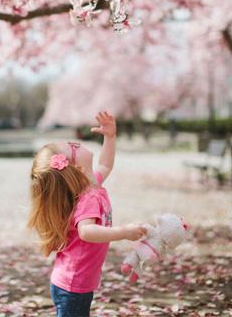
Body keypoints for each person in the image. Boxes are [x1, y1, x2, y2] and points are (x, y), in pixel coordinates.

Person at [28, 111, 147, 317]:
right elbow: (87, 231)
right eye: (73, 147)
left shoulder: (91, 184)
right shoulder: (88, 197)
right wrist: (124, 232)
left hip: (73, 281)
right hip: (73, 286)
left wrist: (109, 137)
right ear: (77, 167)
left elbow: (106, 164)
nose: (76, 143)